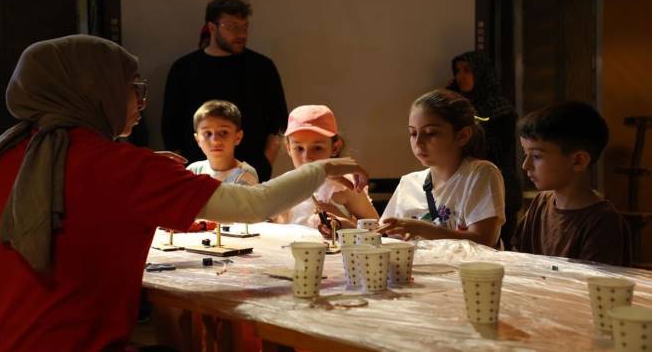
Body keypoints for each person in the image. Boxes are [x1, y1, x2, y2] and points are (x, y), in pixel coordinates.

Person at [0, 35, 367, 351]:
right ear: (94, 89)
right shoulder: (121, 164)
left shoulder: (5, 151)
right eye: (131, 86)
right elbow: (253, 205)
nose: (139, 100)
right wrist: (322, 168)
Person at [162, 0, 288, 182]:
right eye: (232, 27)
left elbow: (278, 124)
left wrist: (264, 165)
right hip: (196, 177)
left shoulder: (262, 67)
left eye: (244, 27)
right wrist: (183, 174)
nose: (241, 34)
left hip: (250, 174)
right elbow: (170, 127)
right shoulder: (184, 68)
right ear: (212, 28)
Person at [377, 89, 505, 247]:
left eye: (430, 133)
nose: (418, 142)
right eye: (412, 133)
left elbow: (484, 241)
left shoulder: (480, 173)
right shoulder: (408, 182)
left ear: (462, 136)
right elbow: (388, 238)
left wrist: (422, 229)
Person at [511, 102, 631, 266]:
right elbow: (519, 261)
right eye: (526, 154)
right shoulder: (540, 204)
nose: (525, 165)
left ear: (578, 161)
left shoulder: (603, 222)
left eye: (537, 156)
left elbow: (589, 285)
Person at [447, 51, 522, 249]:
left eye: (467, 70)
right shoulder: (454, 106)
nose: (460, 76)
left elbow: (499, 148)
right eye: (457, 71)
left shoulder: (499, 108)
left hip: (495, 181)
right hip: (462, 185)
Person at [271, 105, 379, 237]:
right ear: (288, 147)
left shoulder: (343, 187)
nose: (307, 157)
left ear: (335, 147)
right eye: (299, 148)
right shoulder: (283, 185)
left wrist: (345, 224)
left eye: (317, 148)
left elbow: (377, 231)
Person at [186, 100, 258, 186]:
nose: (215, 141)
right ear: (197, 140)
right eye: (208, 133)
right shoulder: (193, 171)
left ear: (238, 137)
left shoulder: (245, 174)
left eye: (224, 133)